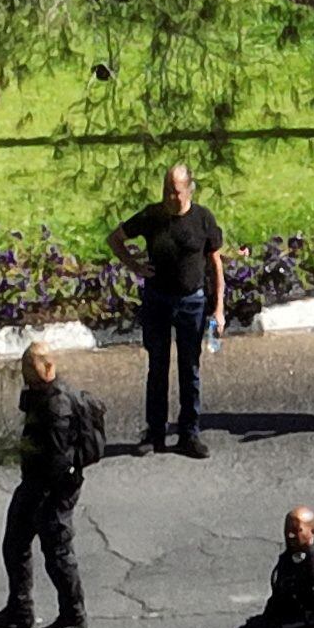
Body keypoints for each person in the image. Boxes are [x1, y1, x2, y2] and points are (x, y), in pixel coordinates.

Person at [0, 341, 97, 628]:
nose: (24, 375)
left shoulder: (57, 405)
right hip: (35, 482)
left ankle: (73, 614)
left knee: (57, 551)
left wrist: (47, 498)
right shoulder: (40, 394)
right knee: (15, 543)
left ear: (45, 368)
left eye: (28, 368)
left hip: (53, 489)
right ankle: (20, 610)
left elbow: (58, 460)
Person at [110, 164, 224, 456]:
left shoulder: (202, 219)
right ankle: (155, 432)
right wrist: (135, 266)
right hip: (157, 301)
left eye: (175, 191)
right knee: (157, 368)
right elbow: (115, 239)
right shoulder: (152, 216)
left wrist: (219, 308)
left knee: (190, 370)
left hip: (192, 303)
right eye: (166, 191)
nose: (170, 198)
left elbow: (216, 264)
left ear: (188, 189)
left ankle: (189, 433)